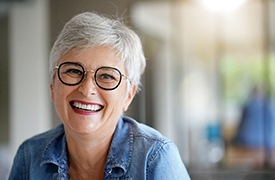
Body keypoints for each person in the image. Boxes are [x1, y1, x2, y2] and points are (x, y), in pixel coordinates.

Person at [9, 12, 190, 179]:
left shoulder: (155, 158)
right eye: (73, 71)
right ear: (52, 86)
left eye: (106, 76)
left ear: (128, 95)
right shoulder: (30, 156)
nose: (87, 89)